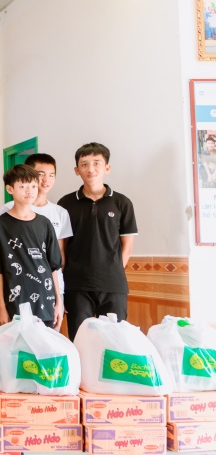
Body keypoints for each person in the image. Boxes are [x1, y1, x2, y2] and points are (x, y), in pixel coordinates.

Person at [57, 142, 137, 339]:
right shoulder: (65, 204)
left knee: (115, 341)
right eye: (84, 164)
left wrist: (112, 271)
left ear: (107, 168)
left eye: (96, 163)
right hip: (76, 286)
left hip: (113, 286)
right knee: (81, 339)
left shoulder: (122, 202)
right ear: (76, 170)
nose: (90, 169)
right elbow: (62, 248)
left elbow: (127, 245)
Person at [0, 164, 63, 330]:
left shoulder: (45, 224)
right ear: (10, 189)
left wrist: (59, 302)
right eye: (23, 186)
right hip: (14, 303)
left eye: (34, 186)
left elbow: (53, 267)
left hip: (45, 301)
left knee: (44, 346)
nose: (30, 191)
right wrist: (1, 307)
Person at [0, 153, 72, 300]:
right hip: (19, 285)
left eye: (51, 175)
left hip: (51, 287)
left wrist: (58, 291)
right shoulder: (8, 209)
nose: (46, 179)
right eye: (41, 174)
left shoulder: (60, 212)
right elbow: (2, 253)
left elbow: (60, 254)